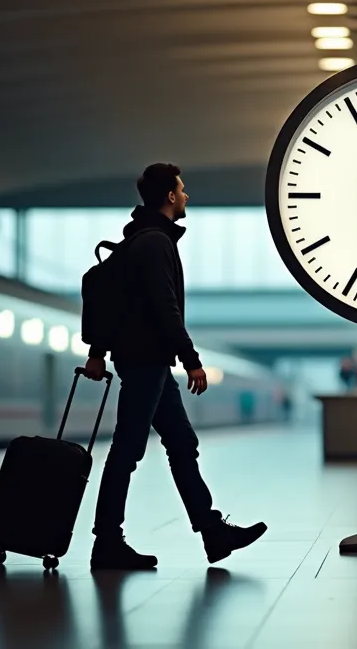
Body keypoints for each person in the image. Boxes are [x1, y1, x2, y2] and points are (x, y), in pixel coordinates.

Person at [82, 163, 266, 569]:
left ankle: (212, 532)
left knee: (182, 445)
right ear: (169, 197)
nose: (186, 197)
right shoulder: (154, 244)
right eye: (182, 191)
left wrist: (99, 350)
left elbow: (117, 302)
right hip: (146, 361)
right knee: (127, 451)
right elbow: (164, 309)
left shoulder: (142, 240)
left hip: (150, 363)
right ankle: (107, 542)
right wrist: (192, 360)